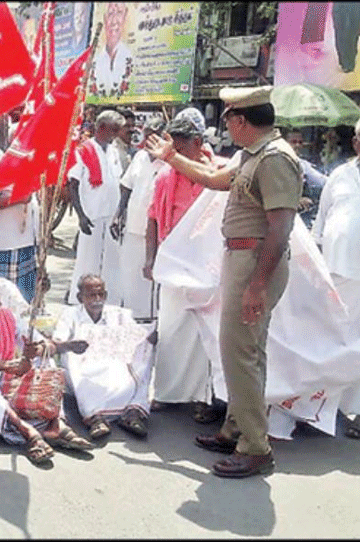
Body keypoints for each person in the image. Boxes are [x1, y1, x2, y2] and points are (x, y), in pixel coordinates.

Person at [145, 86, 302, 478]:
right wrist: (173, 157)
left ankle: (254, 447)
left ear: (241, 121)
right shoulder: (254, 155)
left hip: (255, 263)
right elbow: (214, 179)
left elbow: (281, 226)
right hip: (242, 259)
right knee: (241, 351)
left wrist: (257, 285)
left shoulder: (276, 158)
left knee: (241, 353)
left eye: (229, 118)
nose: (226, 126)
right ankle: (237, 427)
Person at [0, 270, 93, 465]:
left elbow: (44, 345)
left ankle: (57, 424)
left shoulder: (7, 317)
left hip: (3, 385)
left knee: (46, 360)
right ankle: (27, 433)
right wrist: (6, 365)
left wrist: (38, 349)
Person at [145, 116, 226, 423]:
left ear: (197, 144)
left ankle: (206, 397)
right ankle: (168, 393)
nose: (172, 154)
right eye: (170, 148)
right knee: (172, 328)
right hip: (173, 262)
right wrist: (150, 258)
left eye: (177, 148)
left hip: (210, 266)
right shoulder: (165, 176)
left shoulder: (219, 171)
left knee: (207, 334)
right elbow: (152, 217)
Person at [52, 275, 154, 441]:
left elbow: (137, 335)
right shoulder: (70, 314)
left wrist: (148, 338)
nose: (97, 299)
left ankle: (133, 412)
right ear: (80, 297)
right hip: (83, 362)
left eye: (101, 295)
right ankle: (95, 417)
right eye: (91, 295)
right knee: (70, 358)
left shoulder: (119, 314)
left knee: (146, 350)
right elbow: (57, 342)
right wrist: (71, 345)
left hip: (113, 360)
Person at [311, 119, 360, 437]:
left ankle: (355, 411)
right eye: (358, 138)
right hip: (337, 272)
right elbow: (321, 222)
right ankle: (318, 409)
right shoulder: (341, 175)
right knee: (329, 340)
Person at [110, 117, 166, 321]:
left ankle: (151, 318)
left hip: (158, 229)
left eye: (154, 133)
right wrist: (117, 215)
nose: (149, 137)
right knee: (130, 274)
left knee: (151, 275)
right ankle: (131, 317)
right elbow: (126, 187)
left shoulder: (170, 161)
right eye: (148, 133)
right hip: (133, 225)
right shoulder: (140, 157)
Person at [67, 109, 124, 306]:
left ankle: (110, 301)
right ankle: (79, 302)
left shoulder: (114, 151)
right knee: (87, 261)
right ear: (101, 128)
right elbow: (72, 185)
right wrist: (80, 215)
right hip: (91, 216)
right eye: (114, 129)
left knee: (112, 261)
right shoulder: (83, 150)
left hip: (111, 216)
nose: (117, 134)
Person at [0, 126, 40, 303]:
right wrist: (19, 198)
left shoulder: (31, 166)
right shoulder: (1, 166)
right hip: (8, 245)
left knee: (27, 297)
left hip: (29, 243)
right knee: (8, 296)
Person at [284, 129, 328, 229]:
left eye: (300, 142)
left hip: (299, 217)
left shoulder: (303, 164)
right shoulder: (275, 163)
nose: (298, 145)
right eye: (294, 142)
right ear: (285, 143)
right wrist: (295, 200)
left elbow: (322, 181)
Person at [93, 2, 132, 99]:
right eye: (110, 14)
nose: (114, 21)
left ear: (125, 16)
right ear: (105, 19)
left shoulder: (131, 55)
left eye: (119, 13)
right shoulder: (96, 60)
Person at [112, 108, 136, 175]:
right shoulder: (112, 152)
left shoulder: (134, 152)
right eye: (127, 126)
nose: (131, 130)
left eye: (133, 126)